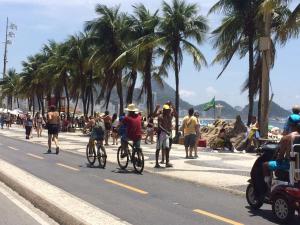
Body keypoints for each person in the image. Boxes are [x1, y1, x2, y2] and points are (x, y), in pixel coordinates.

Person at [263, 114, 300, 186]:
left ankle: (268, 186)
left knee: (265, 165)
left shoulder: (287, 138)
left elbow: (280, 157)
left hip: (290, 166)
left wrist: (280, 158)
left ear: (290, 125)